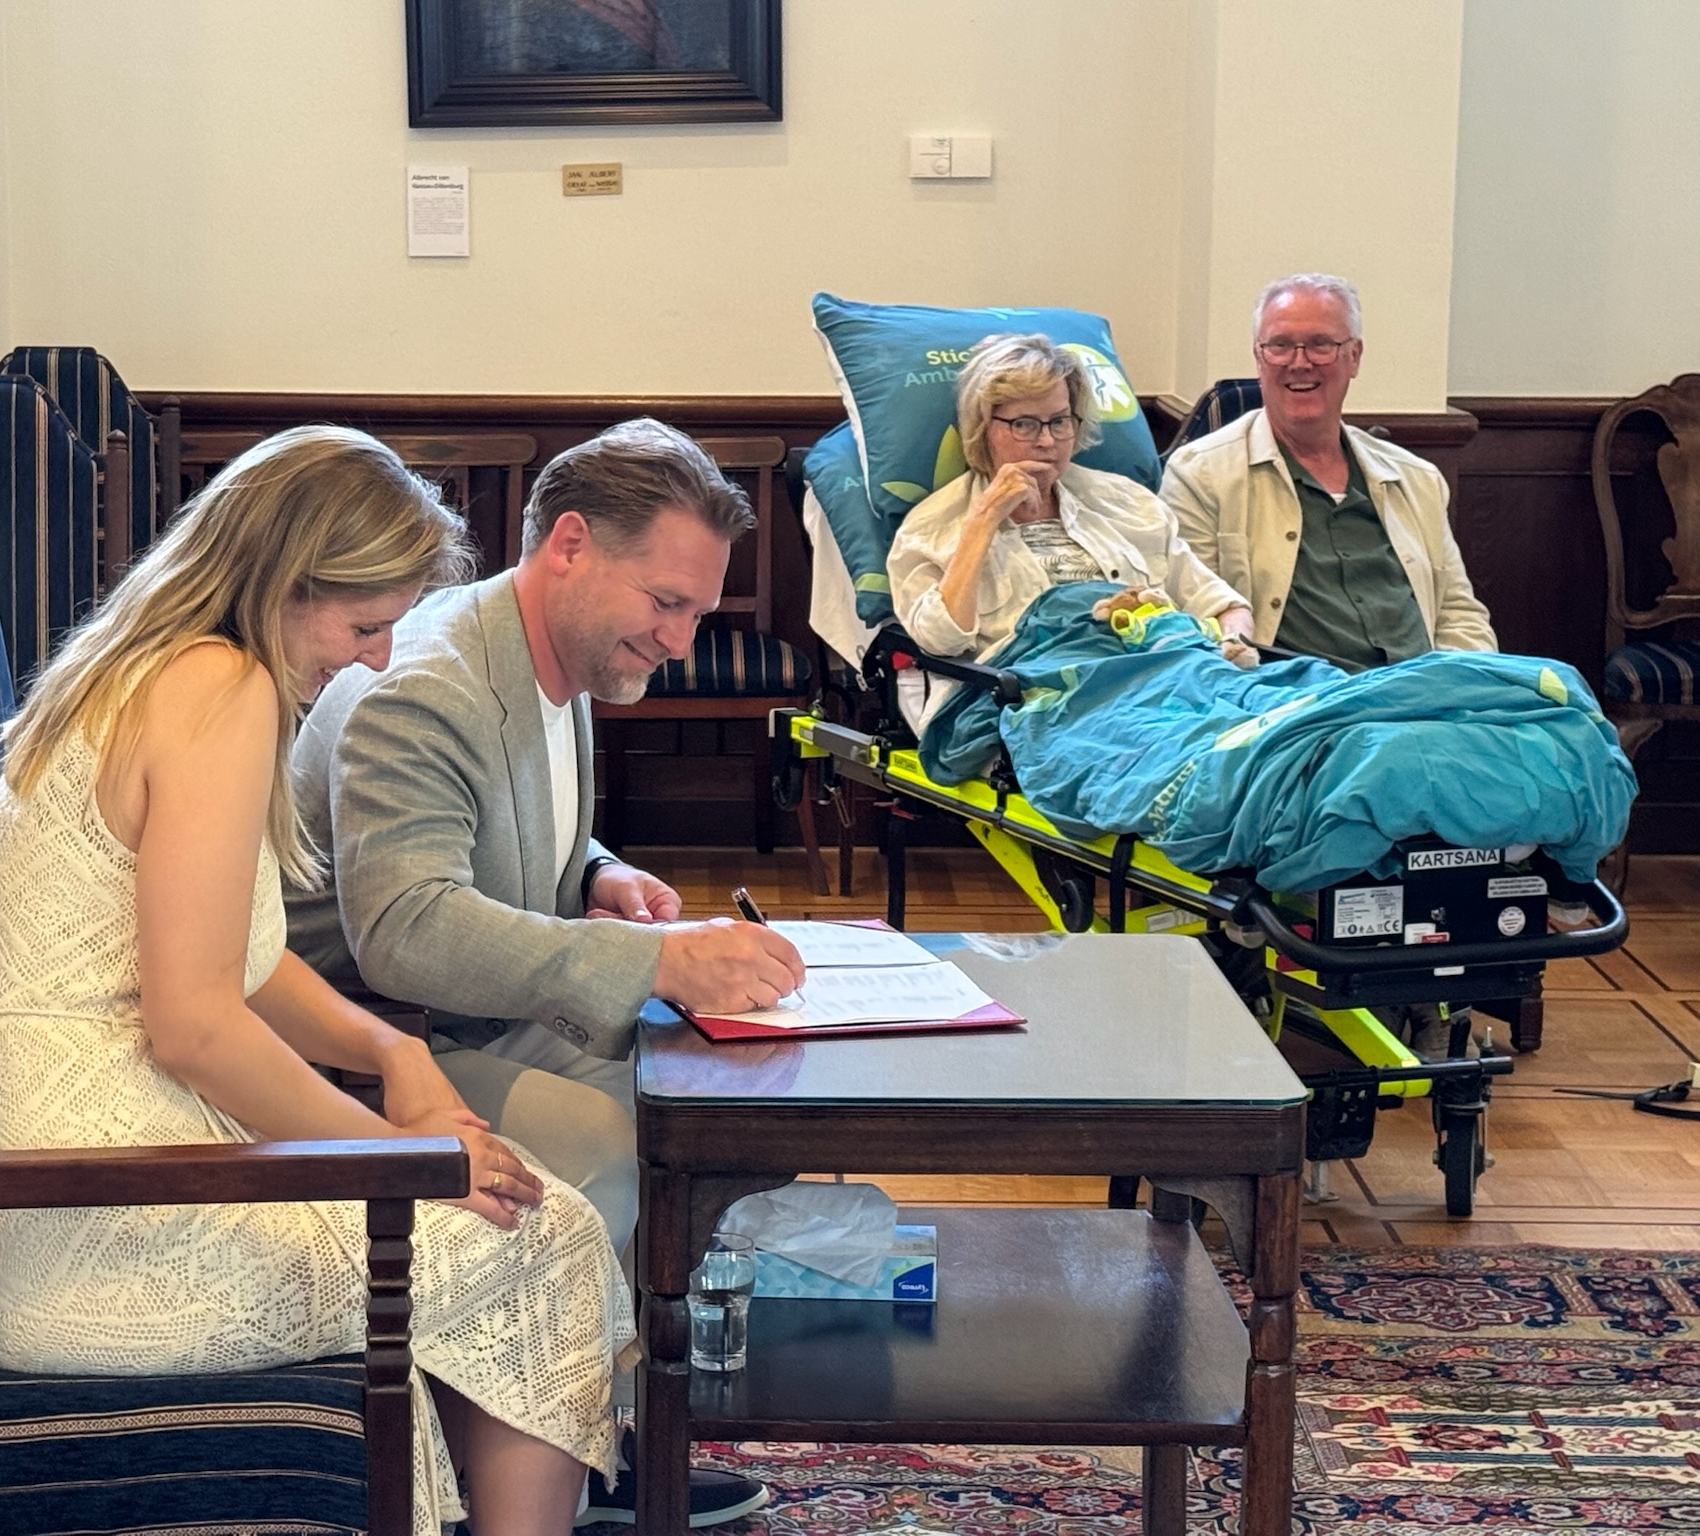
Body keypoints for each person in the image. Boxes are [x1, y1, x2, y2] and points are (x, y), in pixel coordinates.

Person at [0, 425, 634, 1536]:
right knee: (541, 1240)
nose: (375, 660)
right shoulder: (218, 685)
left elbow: (235, 957)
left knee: (503, 1215)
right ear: (287, 583)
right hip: (76, 1230)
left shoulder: (153, 661)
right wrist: (399, 1160)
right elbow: (197, 1027)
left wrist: (388, 1052)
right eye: (364, 626)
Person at [286, 417, 798, 1528]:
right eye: (665, 602)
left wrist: (597, 871)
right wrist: (659, 960)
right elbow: (405, 929)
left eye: (698, 614)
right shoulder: (426, 687)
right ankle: (525, 1479)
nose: (679, 640)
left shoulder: (550, 649)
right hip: (364, 1044)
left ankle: (603, 1441)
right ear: (569, 545)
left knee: (711, 1098)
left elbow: (505, 829)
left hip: (460, 1016)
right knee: (608, 1143)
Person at [886, 332, 1255, 725]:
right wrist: (984, 521)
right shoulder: (933, 526)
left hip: (1166, 690)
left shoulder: (1130, 504)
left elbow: (1224, 606)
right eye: (1024, 424)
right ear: (983, 427)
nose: (1047, 441)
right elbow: (940, 640)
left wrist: (1231, 650)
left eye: (1059, 421)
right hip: (1043, 710)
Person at [1161, 272, 1497, 670]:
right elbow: (1199, 617)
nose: (1299, 363)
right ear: (1258, 358)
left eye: (1321, 345)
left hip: (1425, 687)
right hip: (1298, 695)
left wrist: (1461, 683)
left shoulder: (1418, 479)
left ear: (1354, 356)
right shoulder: (1199, 476)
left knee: (1555, 693)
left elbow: (1459, 615)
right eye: (1280, 346)